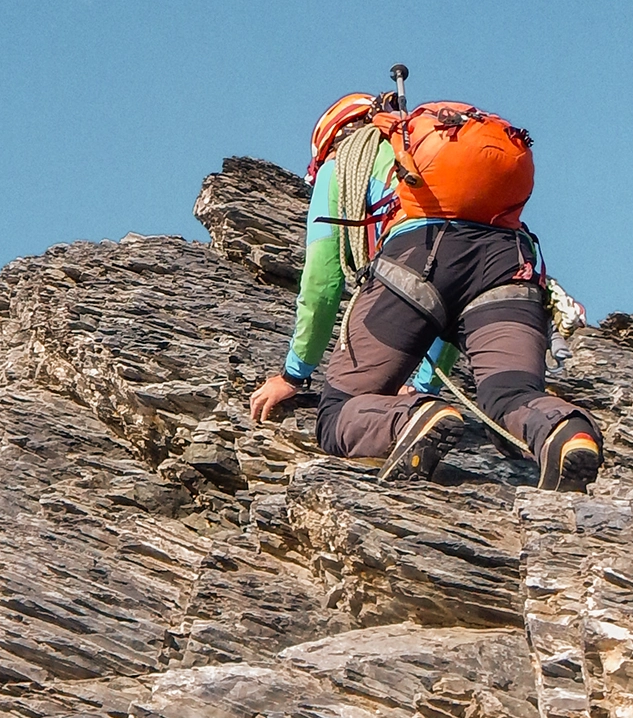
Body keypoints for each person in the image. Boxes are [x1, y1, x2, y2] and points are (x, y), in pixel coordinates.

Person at [247, 89, 602, 491]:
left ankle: (408, 419)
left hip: (415, 261)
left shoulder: (342, 162)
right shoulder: (427, 154)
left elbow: (323, 280)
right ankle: (566, 431)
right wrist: (426, 384)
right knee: (511, 393)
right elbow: (450, 309)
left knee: (337, 412)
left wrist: (293, 374)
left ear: (330, 138)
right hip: (511, 263)